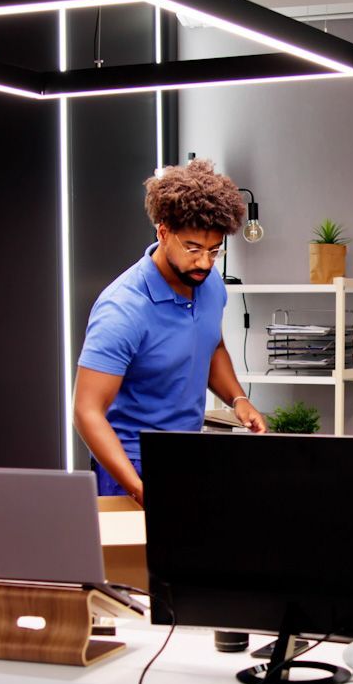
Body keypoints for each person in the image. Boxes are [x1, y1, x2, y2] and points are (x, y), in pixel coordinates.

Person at [74, 159, 267, 502]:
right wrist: (136, 486)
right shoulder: (122, 309)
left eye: (214, 250)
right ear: (163, 232)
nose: (205, 263)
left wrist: (238, 400)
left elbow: (212, 345)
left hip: (186, 456)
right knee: (134, 558)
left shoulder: (210, 285)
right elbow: (86, 411)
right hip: (128, 463)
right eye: (193, 248)